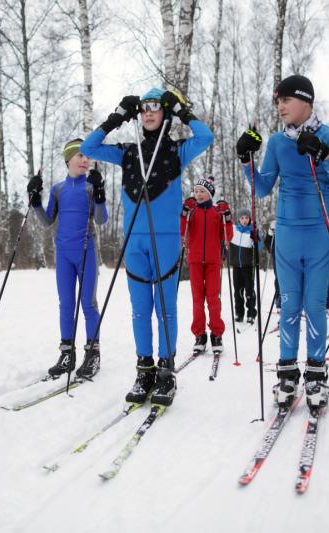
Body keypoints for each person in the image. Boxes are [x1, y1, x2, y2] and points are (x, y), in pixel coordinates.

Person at [81, 88, 213, 407]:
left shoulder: (178, 151)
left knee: (165, 307)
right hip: (134, 241)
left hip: (165, 239)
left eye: (155, 108)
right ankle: (145, 371)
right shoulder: (129, 153)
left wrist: (182, 109)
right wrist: (117, 117)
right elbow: (89, 147)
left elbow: (205, 136)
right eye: (143, 110)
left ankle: (167, 372)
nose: (148, 113)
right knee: (140, 309)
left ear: (164, 113)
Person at [236, 74, 329, 410]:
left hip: (320, 230)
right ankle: (287, 374)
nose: (281, 106)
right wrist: (245, 159)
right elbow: (261, 188)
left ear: (307, 102)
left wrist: (325, 156)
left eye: (287, 99)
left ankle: (316, 376)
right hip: (286, 232)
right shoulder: (276, 142)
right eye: (278, 101)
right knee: (289, 305)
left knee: (315, 305)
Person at [27, 139, 108, 379]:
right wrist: (34, 202)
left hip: (86, 251)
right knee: (66, 304)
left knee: (88, 303)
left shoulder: (91, 186)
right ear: (68, 160)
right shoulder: (58, 188)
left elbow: (102, 220)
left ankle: (92, 354)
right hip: (63, 253)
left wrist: (101, 194)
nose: (85, 160)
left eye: (87, 156)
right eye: (80, 155)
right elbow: (46, 220)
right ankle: (66, 353)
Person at [180, 176, 233, 355]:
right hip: (195, 260)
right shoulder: (192, 212)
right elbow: (183, 233)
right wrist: (184, 213)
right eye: (196, 191)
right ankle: (200, 335)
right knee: (197, 299)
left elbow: (228, 237)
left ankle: (216, 335)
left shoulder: (217, 213)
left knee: (213, 299)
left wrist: (227, 217)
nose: (199, 194)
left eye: (202, 191)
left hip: (213, 261)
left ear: (210, 194)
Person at [229, 208, 260, 324]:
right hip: (236, 266)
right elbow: (224, 236)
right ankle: (239, 313)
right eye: (242, 218)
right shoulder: (233, 230)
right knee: (238, 291)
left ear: (250, 219)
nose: (245, 220)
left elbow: (259, 247)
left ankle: (251, 313)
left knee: (249, 291)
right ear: (238, 219)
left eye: (247, 217)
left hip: (248, 266)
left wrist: (256, 238)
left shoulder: (252, 231)